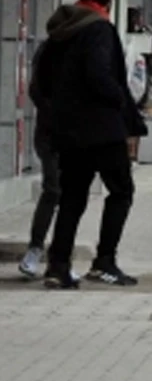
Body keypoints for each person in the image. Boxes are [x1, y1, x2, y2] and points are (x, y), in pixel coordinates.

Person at [38, 0, 145, 288]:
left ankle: (58, 265)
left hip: (68, 130)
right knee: (122, 190)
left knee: (72, 196)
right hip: (102, 127)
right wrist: (119, 102)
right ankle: (105, 262)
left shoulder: (59, 30)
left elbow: (42, 79)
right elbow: (99, 74)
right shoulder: (98, 29)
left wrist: (58, 111)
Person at [17, 31, 75, 280]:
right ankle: (35, 248)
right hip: (51, 133)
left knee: (71, 194)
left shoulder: (88, 52)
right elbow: (35, 90)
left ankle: (61, 258)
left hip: (77, 135)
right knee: (53, 188)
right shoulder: (49, 52)